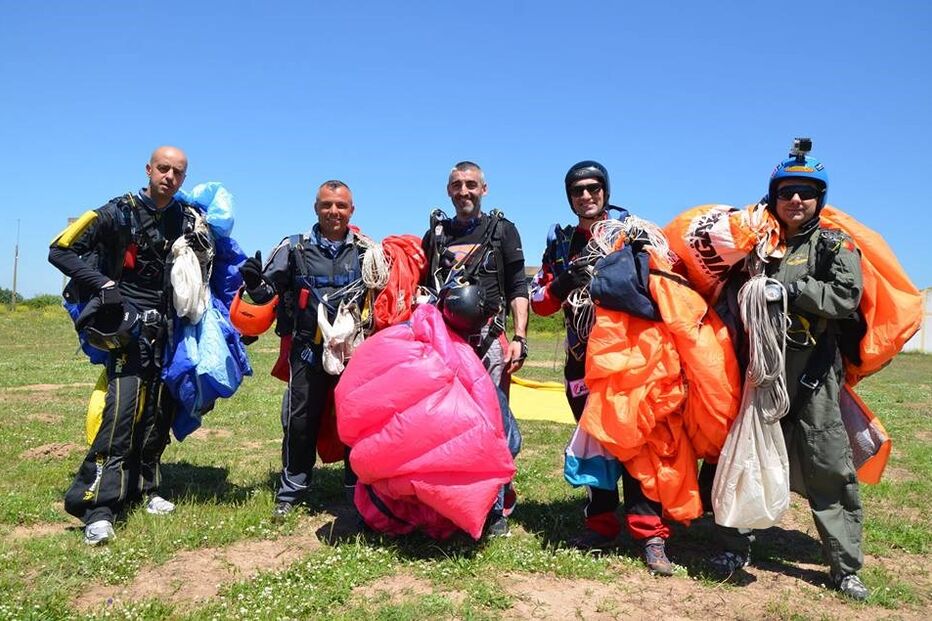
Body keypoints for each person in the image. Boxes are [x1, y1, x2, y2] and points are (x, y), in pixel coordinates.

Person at [710, 141, 869, 601]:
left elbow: (845, 296)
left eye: (806, 192)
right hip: (760, 373)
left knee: (828, 466)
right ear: (773, 196)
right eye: (786, 192)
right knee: (746, 457)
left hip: (812, 374)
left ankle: (845, 567)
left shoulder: (833, 245)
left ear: (820, 198)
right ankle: (733, 546)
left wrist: (791, 290)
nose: (796, 200)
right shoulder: (756, 244)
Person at [530, 161, 674, 575]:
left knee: (640, 444)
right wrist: (563, 283)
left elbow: (669, 279)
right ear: (569, 197)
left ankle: (651, 534)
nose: (586, 196)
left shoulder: (632, 235)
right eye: (577, 190)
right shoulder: (560, 246)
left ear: (605, 191)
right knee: (595, 445)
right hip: (582, 363)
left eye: (593, 188)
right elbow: (540, 302)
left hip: (631, 363)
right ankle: (601, 526)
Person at [49, 146, 194, 545]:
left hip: (167, 331)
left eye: (177, 172)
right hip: (126, 331)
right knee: (121, 413)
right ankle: (98, 507)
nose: (169, 177)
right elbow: (60, 249)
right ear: (149, 169)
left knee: (158, 413)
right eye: (163, 168)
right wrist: (103, 285)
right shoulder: (118, 211)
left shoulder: (184, 218)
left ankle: (146, 488)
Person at [239, 180, 370, 520]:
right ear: (316, 208)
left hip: (354, 354)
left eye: (341, 205)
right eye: (327, 205)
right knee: (300, 420)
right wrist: (254, 283)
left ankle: (357, 488)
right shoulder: (293, 248)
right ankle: (292, 489)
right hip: (307, 350)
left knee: (356, 420)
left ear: (351, 210)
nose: (333, 211)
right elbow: (266, 294)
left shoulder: (367, 252)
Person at [421, 161, 528, 537]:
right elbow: (424, 289)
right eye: (457, 185)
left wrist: (520, 337)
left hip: (488, 341)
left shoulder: (502, 231)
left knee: (492, 425)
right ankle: (450, 502)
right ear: (448, 191)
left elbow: (518, 286)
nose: (463, 191)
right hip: (447, 343)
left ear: (484, 189)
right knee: (448, 424)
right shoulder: (436, 235)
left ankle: (494, 508)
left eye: (471, 184)